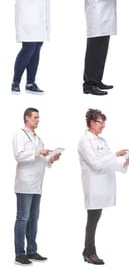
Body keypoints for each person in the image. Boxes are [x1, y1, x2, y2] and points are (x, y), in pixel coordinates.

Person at [78, 109, 129, 265]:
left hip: (104, 184)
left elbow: (110, 163)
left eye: (104, 122)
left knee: (95, 218)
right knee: (92, 219)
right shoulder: (84, 141)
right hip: (94, 185)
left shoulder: (102, 141)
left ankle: (87, 250)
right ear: (91, 122)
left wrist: (125, 162)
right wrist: (116, 155)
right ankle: (90, 252)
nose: (103, 125)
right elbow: (95, 163)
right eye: (99, 122)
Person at [11, 0, 67, 95]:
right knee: (28, 48)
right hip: (28, 15)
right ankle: (15, 82)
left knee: (36, 48)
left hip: (40, 17)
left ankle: (30, 83)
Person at [13, 107, 61, 266]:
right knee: (23, 218)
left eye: (38, 118)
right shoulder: (19, 135)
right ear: (27, 118)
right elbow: (18, 156)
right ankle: (20, 254)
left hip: (37, 185)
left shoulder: (38, 138)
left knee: (34, 219)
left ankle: (32, 251)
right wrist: (37, 152)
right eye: (35, 117)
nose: (38, 120)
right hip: (25, 184)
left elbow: (41, 160)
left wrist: (50, 159)